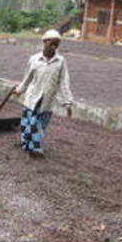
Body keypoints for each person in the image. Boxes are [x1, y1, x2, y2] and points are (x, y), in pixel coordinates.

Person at [13, 29, 74, 158]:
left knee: (40, 126)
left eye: (56, 44)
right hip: (32, 98)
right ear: (44, 42)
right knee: (31, 124)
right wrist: (19, 90)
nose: (54, 47)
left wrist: (67, 102)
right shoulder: (34, 59)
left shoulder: (61, 62)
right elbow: (27, 78)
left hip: (47, 100)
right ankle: (35, 149)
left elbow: (64, 82)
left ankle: (30, 144)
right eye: (51, 43)